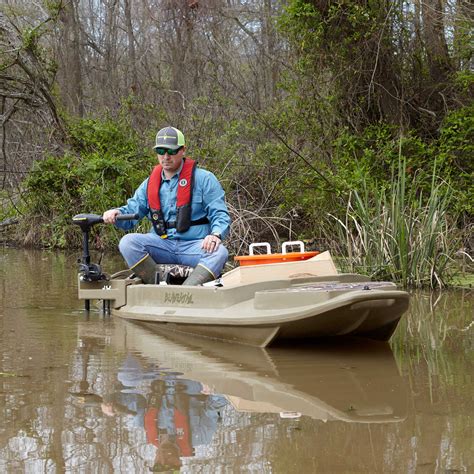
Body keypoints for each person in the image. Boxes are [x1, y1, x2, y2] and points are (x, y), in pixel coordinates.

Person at [103, 126, 231, 286]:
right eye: (161, 151)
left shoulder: (205, 179)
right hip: (161, 244)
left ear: (183, 150)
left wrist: (216, 235)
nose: (165, 157)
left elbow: (220, 214)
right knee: (128, 243)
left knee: (219, 253)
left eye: (171, 151)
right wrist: (116, 213)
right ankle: (159, 285)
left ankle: (187, 291)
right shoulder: (149, 183)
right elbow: (131, 213)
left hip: (194, 245)